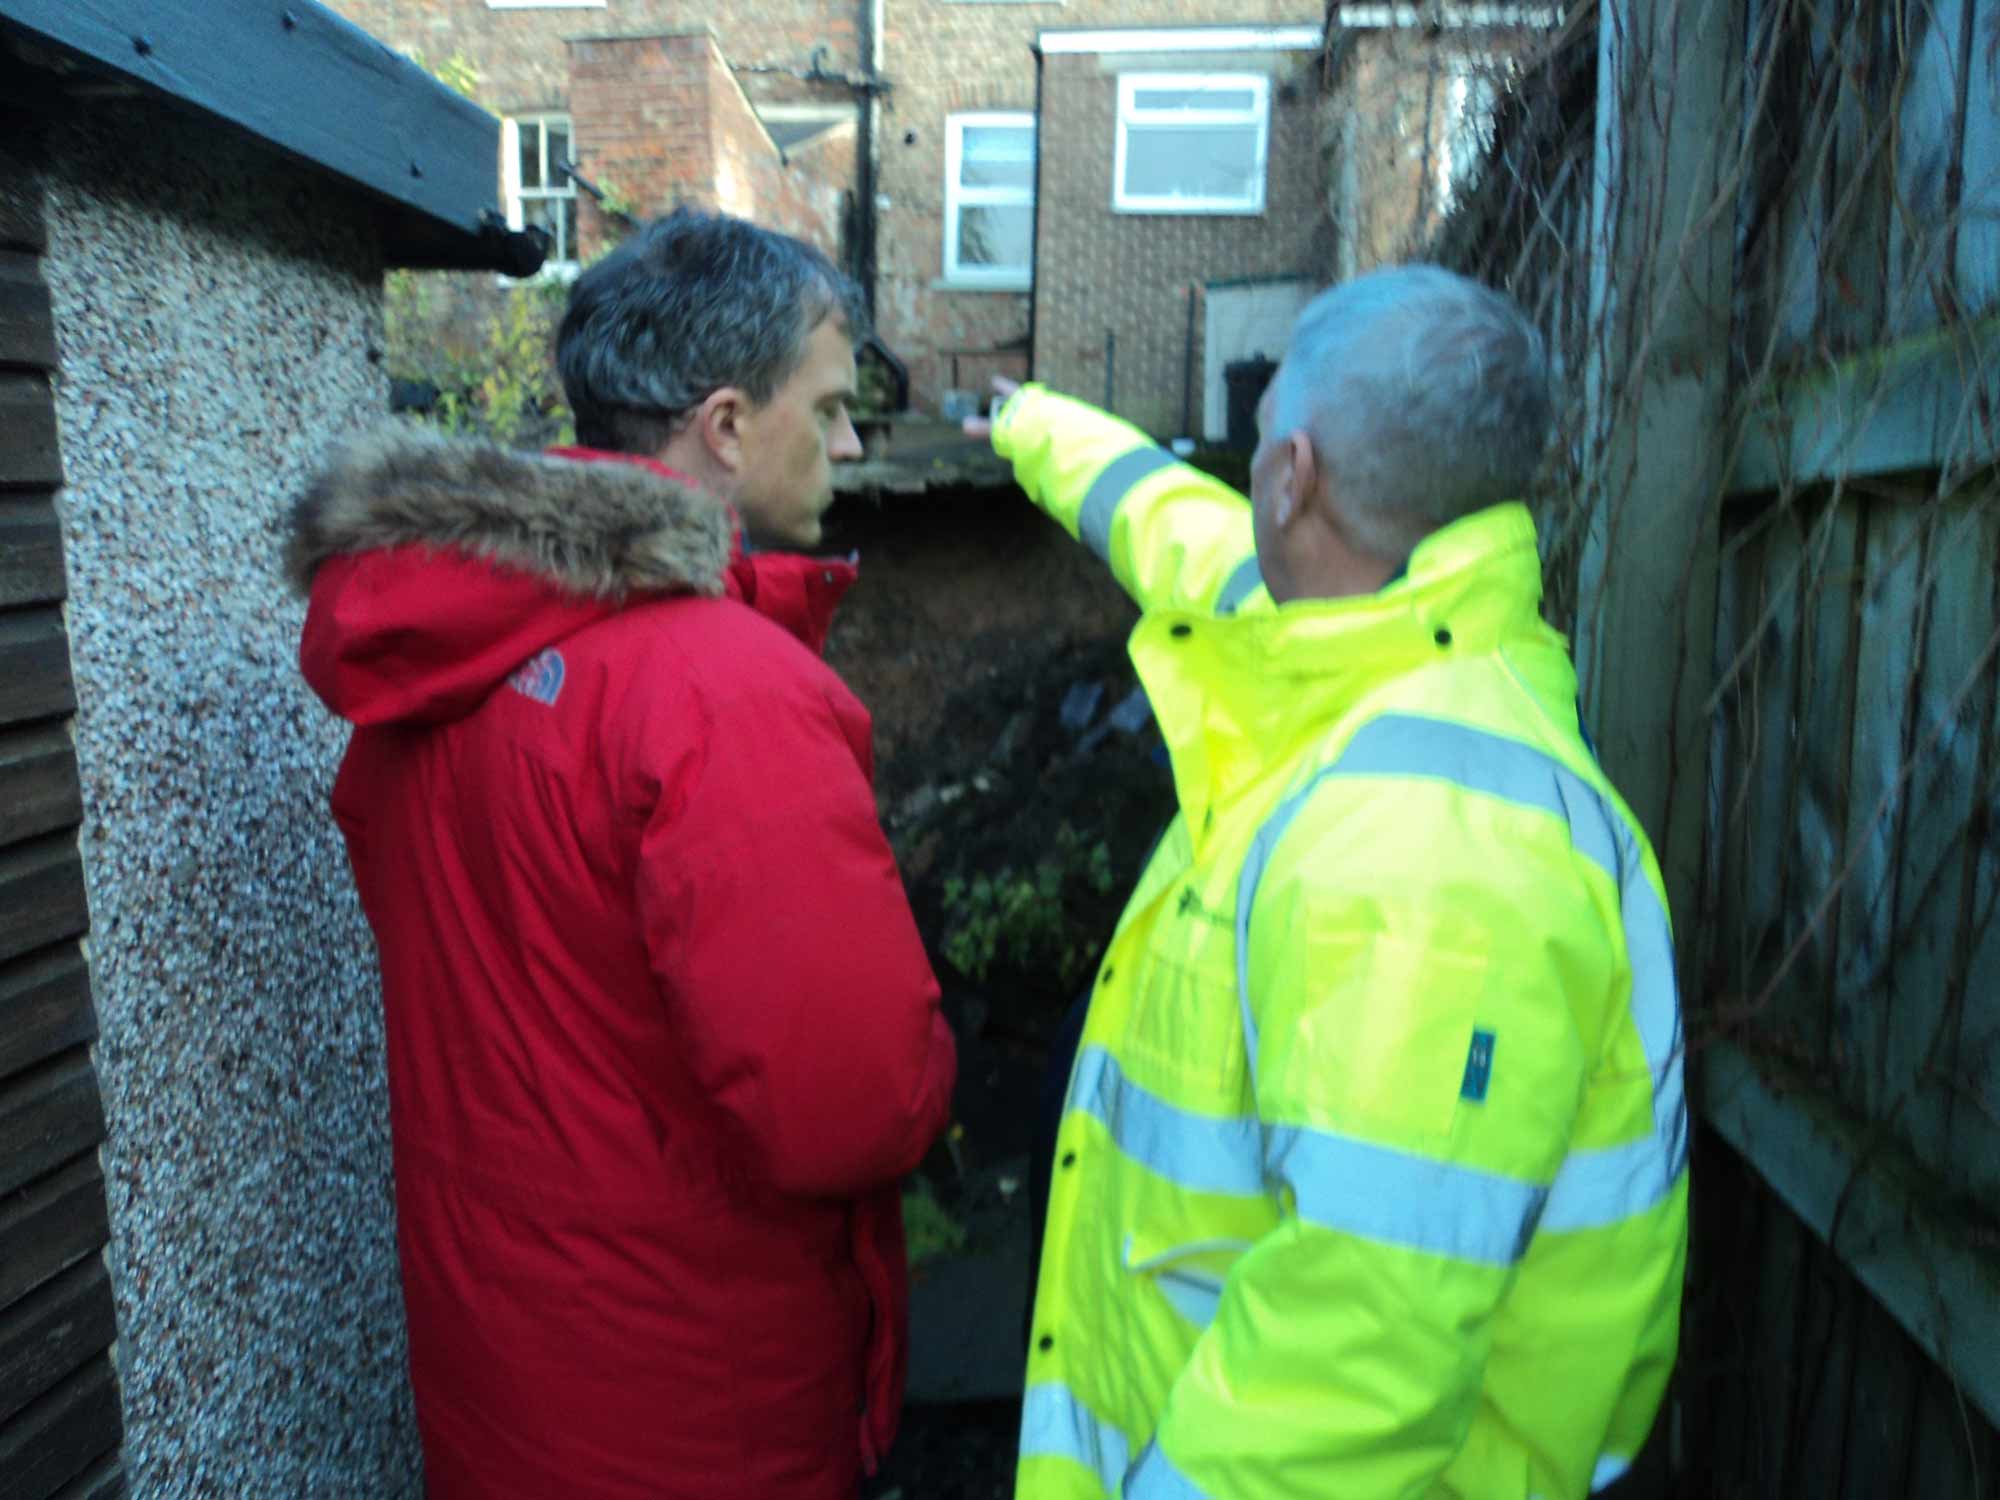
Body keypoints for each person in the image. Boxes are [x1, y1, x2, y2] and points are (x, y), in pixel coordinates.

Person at [968, 265, 1688, 1499]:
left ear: (1290, 477)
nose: (1243, 479)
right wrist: (1030, 424)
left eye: (1256, 450)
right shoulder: (1356, 631)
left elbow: (1359, 1355)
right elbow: (1170, 528)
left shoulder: (1435, 847)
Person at [287, 208, 957, 1500]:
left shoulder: (445, 652)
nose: (850, 442)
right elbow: (852, 1104)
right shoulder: (725, 693)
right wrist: (934, 1062)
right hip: (696, 1404)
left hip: (503, 1368)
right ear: (721, 425)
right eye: (824, 410)